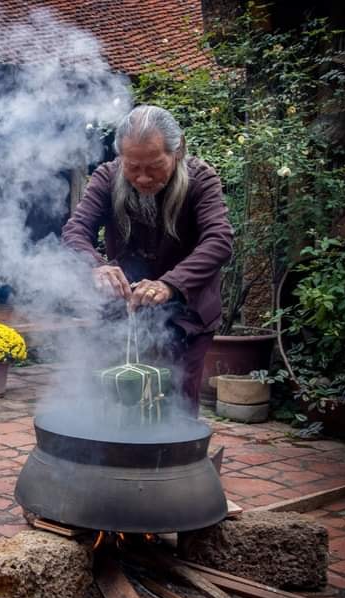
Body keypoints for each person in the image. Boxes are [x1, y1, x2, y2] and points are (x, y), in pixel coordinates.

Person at [61, 104, 234, 411]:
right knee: (114, 402)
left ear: (177, 150)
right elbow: (76, 231)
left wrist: (170, 284)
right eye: (132, 166)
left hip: (187, 314)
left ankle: (179, 458)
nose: (142, 178)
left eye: (154, 166)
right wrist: (97, 268)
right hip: (125, 311)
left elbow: (218, 240)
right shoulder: (106, 178)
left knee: (177, 405)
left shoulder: (201, 180)